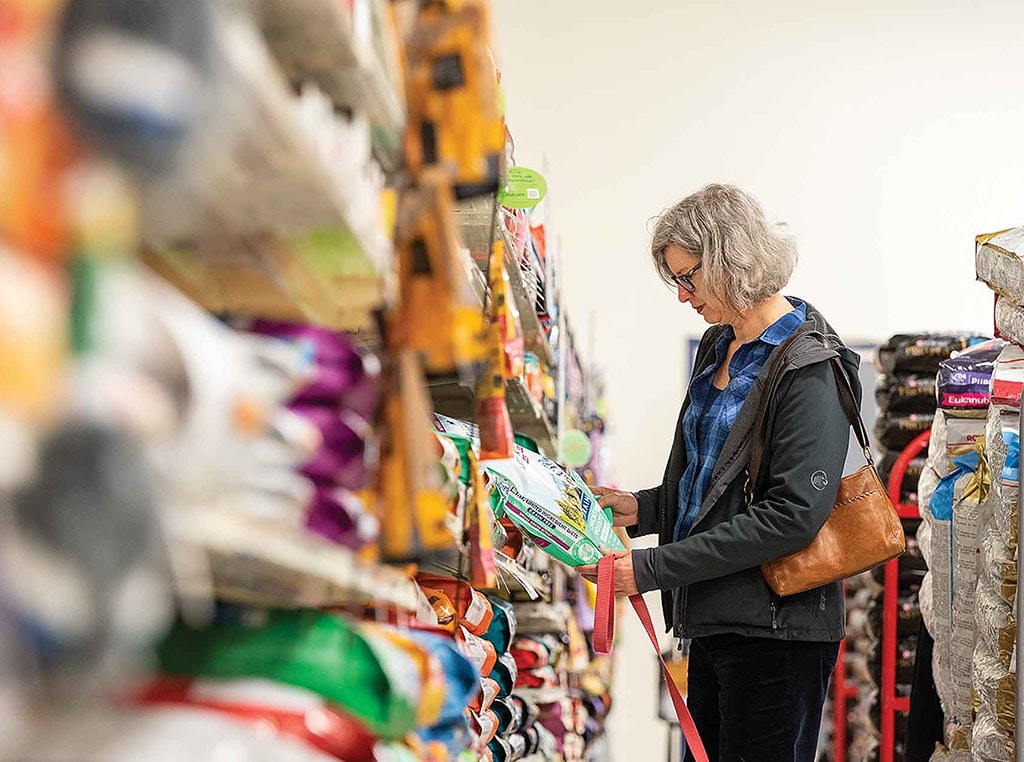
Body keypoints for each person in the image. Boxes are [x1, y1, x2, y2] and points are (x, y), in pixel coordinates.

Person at [579, 184, 861, 762]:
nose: (683, 297)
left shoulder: (810, 369)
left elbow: (790, 517)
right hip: (715, 620)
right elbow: (714, 484)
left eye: (690, 278)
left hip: (778, 634)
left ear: (732, 259)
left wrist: (652, 567)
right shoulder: (719, 348)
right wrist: (644, 508)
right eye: (675, 281)